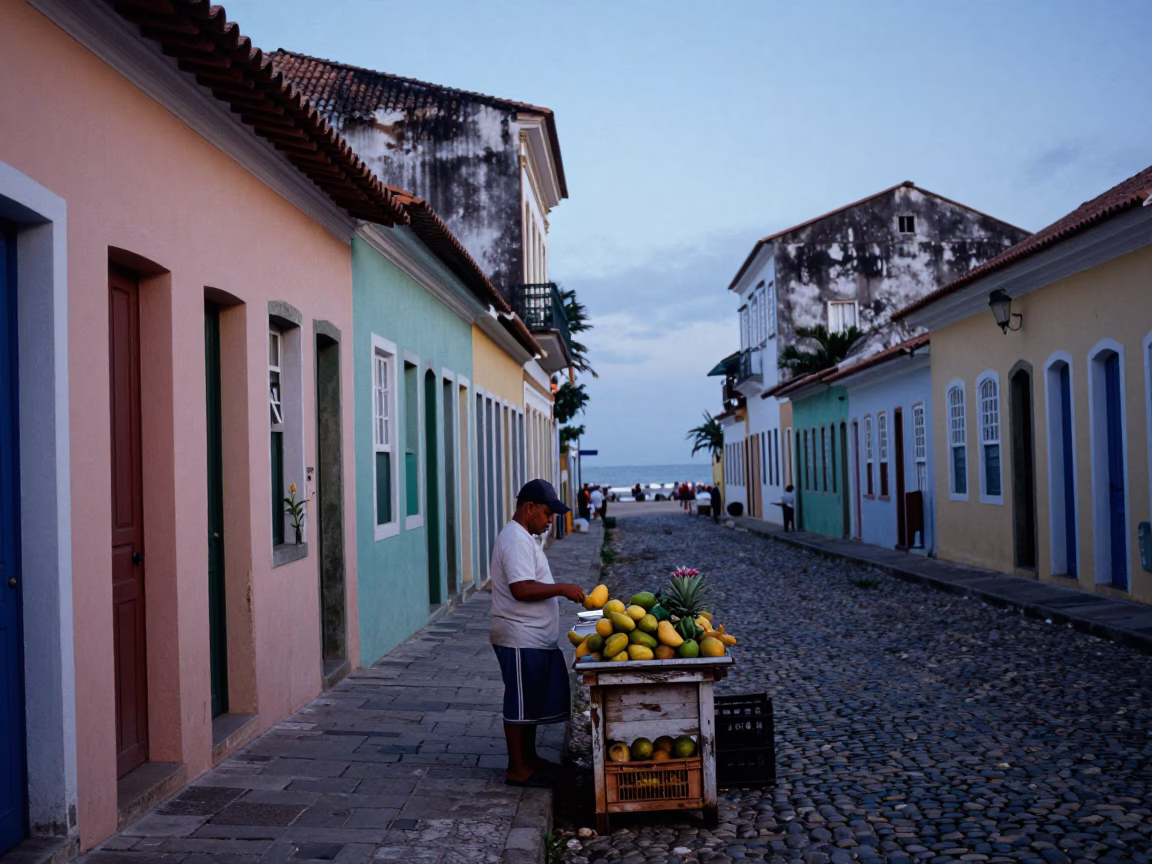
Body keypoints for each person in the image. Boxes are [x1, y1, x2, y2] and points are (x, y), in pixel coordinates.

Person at [490, 479, 584, 788]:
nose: (549, 521)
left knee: (530, 702)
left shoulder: (526, 537)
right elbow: (521, 588)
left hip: (534, 637)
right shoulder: (515, 539)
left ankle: (529, 760)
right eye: (546, 514)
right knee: (519, 703)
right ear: (529, 508)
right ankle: (517, 768)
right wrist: (563, 589)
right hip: (519, 635)